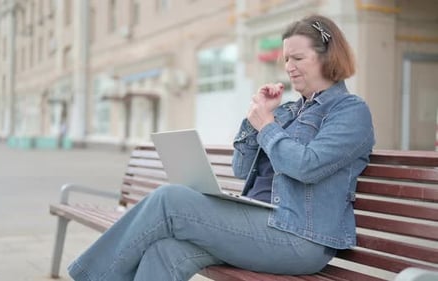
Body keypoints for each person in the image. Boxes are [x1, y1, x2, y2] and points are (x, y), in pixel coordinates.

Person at [68, 14, 375, 281]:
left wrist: (267, 126)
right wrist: (255, 115)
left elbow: (306, 166)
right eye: (285, 59)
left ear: (327, 56)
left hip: (301, 237)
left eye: (298, 58)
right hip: (260, 221)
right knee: (167, 251)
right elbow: (242, 169)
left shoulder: (349, 111)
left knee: (170, 200)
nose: (289, 67)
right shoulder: (288, 110)